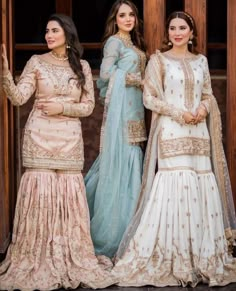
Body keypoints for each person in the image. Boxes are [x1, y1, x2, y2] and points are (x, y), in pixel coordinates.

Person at [111, 11, 236, 287]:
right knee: (174, 182)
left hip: (199, 132)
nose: (177, 32)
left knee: (201, 182)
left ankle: (202, 256)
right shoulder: (159, 60)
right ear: (168, 33)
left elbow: (208, 94)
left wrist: (203, 108)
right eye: (172, 28)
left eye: (182, 28)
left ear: (191, 32)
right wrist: (179, 113)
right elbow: (149, 97)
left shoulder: (201, 61)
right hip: (172, 130)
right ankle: (173, 255)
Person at [0, 13, 114, 291]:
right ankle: (36, 255)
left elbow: (88, 106)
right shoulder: (36, 62)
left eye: (54, 31)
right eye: (47, 31)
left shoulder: (82, 66)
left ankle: (69, 256)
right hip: (40, 136)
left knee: (67, 194)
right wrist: (4, 71)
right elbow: (18, 97)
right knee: (40, 191)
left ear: (67, 34)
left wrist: (62, 108)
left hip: (68, 139)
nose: (48, 36)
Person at [84, 0, 147, 260]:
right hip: (121, 116)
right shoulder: (114, 42)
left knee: (132, 166)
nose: (128, 19)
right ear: (115, 18)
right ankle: (111, 235)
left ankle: (129, 232)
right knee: (119, 165)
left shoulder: (135, 44)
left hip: (136, 113)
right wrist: (135, 80)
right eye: (123, 15)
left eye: (132, 14)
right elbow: (107, 75)